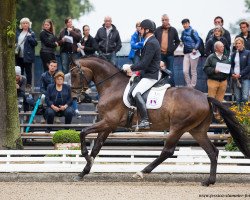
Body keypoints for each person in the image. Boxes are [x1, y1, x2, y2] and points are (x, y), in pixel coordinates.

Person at [122, 19, 161, 130]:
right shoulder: (149, 41)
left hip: (150, 75)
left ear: (147, 30)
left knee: (135, 92)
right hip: (147, 73)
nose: (140, 31)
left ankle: (145, 120)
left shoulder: (151, 43)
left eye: (142, 29)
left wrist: (130, 67)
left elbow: (144, 63)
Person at [155, 14, 180, 87]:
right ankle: (160, 85)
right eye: (162, 20)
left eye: (165, 20)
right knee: (159, 70)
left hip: (169, 54)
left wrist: (172, 49)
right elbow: (154, 40)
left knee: (170, 71)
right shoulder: (158, 29)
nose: (164, 21)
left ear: (168, 20)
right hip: (160, 54)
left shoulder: (173, 30)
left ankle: (172, 87)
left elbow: (177, 41)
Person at [15, 17, 37, 92]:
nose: (25, 24)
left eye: (26, 23)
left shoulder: (32, 33)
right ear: (21, 24)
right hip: (19, 55)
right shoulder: (18, 32)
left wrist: (30, 37)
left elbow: (35, 43)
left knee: (28, 71)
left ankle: (28, 85)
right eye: (23, 23)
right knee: (19, 71)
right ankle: (19, 85)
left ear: (29, 24)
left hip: (27, 55)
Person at [180, 18, 201, 88]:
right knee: (185, 71)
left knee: (193, 71)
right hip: (186, 53)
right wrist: (181, 42)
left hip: (193, 53)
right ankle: (189, 85)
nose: (185, 25)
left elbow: (198, 41)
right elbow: (182, 39)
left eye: (186, 23)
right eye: (183, 24)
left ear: (189, 23)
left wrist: (195, 48)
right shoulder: (183, 32)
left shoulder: (193, 31)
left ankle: (192, 86)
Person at [231, 37, 250, 106]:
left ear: (242, 44)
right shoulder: (233, 54)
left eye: (239, 43)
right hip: (235, 78)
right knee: (238, 98)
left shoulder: (248, 53)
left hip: (245, 78)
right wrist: (232, 73)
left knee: (245, 97)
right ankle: (239, 114)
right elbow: (231, 66)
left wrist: (240, 74)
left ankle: (245, 114)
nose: (237, 45)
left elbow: (249, 66)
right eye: (236, 43)